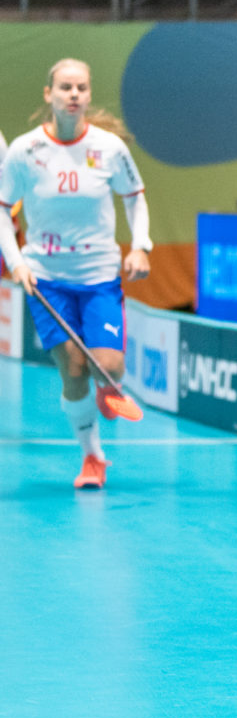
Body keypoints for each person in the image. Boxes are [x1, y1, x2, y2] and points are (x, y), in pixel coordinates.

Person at [0, 58, 153, 489]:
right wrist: (17, 262)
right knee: (72, 369)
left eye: (81, 88)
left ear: (88, 95)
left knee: (110, 364)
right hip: (45, 277)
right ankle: (92, 458)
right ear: (48, 94)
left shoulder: (108, 148)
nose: (73, 94)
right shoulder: (25, 151)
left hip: (99, 275)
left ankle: (107, 389)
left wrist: (141, 246)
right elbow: (1, 210)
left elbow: (135, 197)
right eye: (65, 87)